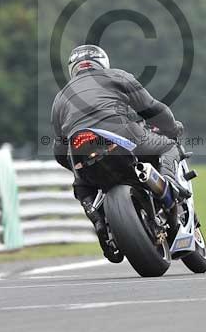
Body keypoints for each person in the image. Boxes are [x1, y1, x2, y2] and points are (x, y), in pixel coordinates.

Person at [51, 44, 187, 262]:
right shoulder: (117, 76)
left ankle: (98, 222)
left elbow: (59, 151)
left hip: (79, 147)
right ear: (102, 63)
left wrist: (76, 166)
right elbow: (152, 109)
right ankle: (172, 185)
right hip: (121, 133)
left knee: (81, 185)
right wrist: (172, 129)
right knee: (168, 146)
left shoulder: (60, 97)